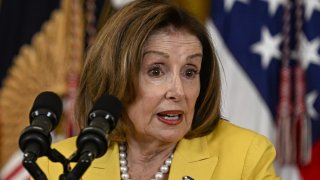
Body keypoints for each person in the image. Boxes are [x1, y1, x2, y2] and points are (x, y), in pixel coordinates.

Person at [37, 0, 280, 179]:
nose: (178, 91)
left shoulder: (246, 157)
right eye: (156, 71)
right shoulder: (58, 165)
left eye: (190, 72)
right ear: (115, 80)